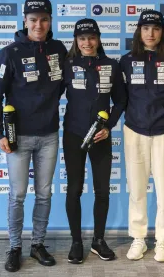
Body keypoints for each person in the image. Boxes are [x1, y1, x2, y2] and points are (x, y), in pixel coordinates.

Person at [0, 0, 67, 272]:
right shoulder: (9, 53)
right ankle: (14, 247)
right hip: (17, 137)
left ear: (50, 21)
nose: (39, 25)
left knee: (44, 194)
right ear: (25, 20)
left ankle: (38, 245)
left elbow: (68, 86)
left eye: (44, 19)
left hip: (49, 135)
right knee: (18, 194)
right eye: (33, 20)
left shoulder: (58, 48)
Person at [120, 10, 164, 262]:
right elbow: (121, 97)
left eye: (156, 28)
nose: (151, 33)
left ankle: (162, 241)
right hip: (134, 132)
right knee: (137, 190)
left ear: (163, 32)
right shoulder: (127, 60)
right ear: (139, 31)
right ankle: (138, 239)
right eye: (146, 28)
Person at [61, 18, 127, 264]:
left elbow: (121, 101)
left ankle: (98, 241)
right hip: (73, 134)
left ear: (98, 39)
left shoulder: (111, 65)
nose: (87, 42)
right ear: (76, 41)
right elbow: (47, 93)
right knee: (75, 189)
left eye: (91, 37)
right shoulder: (67, 65)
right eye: (82, 38)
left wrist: (109, 126)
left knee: (102, 190)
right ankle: (76, 242)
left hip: (101, 136)